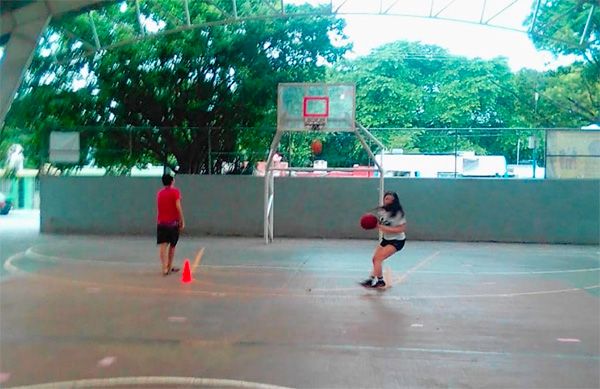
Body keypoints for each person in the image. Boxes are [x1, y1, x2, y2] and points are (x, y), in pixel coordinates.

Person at [360, 191, 407, 288]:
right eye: (386, 198)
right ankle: (375, 280)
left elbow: (401, 229)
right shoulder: (382, 211)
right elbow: (378, 221)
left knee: (378, 259)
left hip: (397, 241)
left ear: (395, 201)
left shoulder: (398, 213)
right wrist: (369, 220)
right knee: (375, 259)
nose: (388, 201)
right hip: (386, 239)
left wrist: (382, 227)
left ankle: (376, 280)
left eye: (391, 199)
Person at [157, 174, 185, 276]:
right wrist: (182, 220)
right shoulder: (175, 192)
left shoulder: (160, 193)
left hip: (161, 222)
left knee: (163, 245)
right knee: (172, 246)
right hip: (172, 223)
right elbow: (178, 206)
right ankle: (169, 266)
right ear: (172, 181)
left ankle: (164, 267)